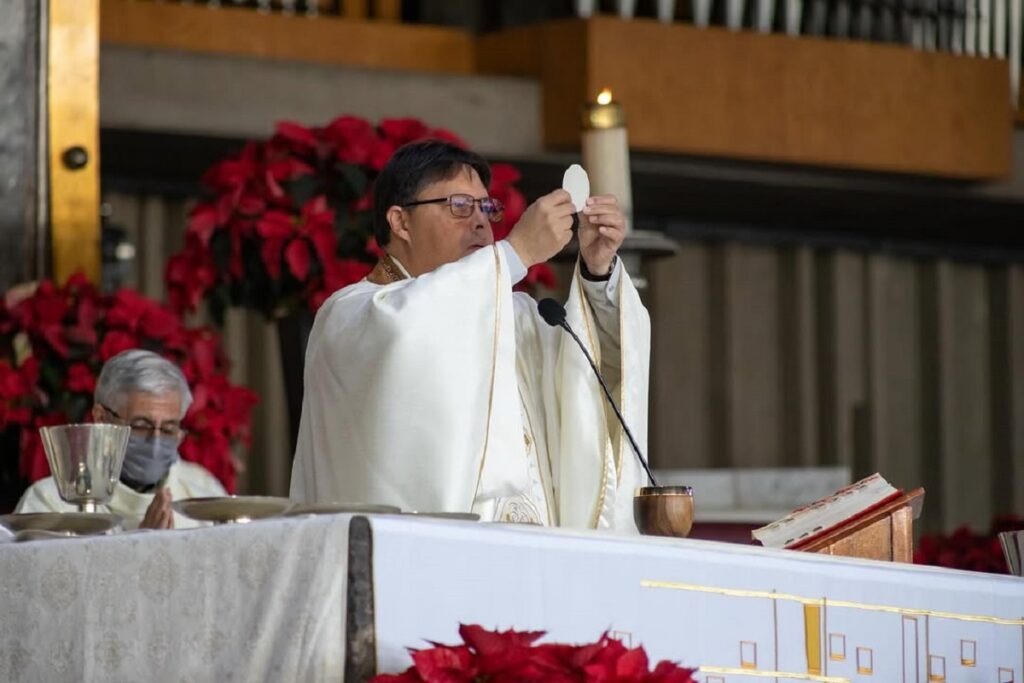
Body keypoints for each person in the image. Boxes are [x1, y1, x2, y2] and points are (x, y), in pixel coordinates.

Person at [290, 140, 650, 531]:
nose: (480, 221)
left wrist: (597, 273)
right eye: (459, 206)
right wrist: (517, 253)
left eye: (487, 207)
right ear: (401, 222)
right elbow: (408, 331)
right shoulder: (352, 315)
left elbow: (590, 377)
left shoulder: (514, 313)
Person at [16, 349, 226, 529]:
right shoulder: (49, 503)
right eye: (140, 425)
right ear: (101, 418)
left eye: (169, 429)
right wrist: (138, 547)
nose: (155, 442)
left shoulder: (202, 492)